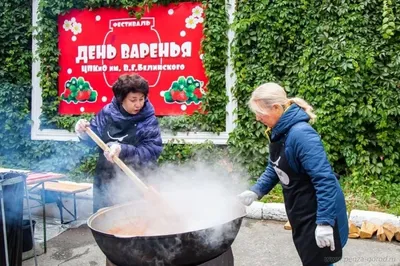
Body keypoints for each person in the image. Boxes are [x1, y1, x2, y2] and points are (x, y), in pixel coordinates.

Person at [238, 83, 348, 266]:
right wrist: (256, 191)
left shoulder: (301, 134)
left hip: (320, 212)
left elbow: (325, 180)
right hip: (304, 211)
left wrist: (325, 223)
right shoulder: (280, 131)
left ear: (276, 107)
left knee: (322, 262)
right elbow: (275, 166)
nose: (257, 118)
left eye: (260, 112)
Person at [74, 73, 163, 213]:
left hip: (135, 181)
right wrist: (83, 133)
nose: (138, 104)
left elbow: (152, 150)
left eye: (141, 99)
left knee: (134, 224)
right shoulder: (107, 113)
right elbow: (94, 140)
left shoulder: (148, 119)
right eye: (133, 100)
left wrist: (123, 149)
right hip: (105, 179)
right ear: (121, 99)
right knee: (104, 223)